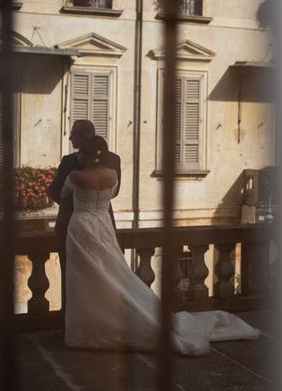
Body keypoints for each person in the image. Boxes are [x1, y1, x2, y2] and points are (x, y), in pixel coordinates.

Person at [61, 136, 258, 355]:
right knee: (113, 271)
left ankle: (86, 328)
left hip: (81, 227)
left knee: (83, 277)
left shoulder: (76, 176)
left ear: (84, 154)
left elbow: (62, 195)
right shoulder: (113, 175)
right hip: (104, 225)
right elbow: (111, 195)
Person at [47, 120, 121, 310]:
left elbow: (54, 192)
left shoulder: (70, 162)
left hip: (73, 225)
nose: (70, 137)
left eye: (74, 134)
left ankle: (70, 319)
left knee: (71, 276)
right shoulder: (114, 160)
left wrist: (78, 205)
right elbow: (115, 191)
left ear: (85, 136)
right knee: (106, 274)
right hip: (104, 224)